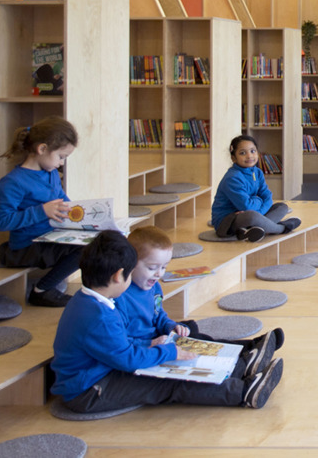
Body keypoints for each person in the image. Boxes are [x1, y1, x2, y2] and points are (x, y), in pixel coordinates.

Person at [50, 231, 283, 414]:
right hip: (89, 391)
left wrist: (161, 347)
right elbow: (128, 359)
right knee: (169, 383)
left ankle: (238, 366)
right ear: (117, 276)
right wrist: (167, 351)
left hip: (102, 372)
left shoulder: (90, 302)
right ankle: (243, 392)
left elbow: (123, 350)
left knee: (183, 345)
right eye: (130, 274)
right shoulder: (99, 315)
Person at [120, 226, 284, 356]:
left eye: (163, 267)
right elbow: (119, 342)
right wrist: (150, 344)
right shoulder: (120, 296)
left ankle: (251, 346)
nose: (159, 274)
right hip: (146, 349)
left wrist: (171, 326)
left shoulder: (153, 285)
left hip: (162, 339)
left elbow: (159, 316)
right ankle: (249, 352)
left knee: (195, 337)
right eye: (152, 268)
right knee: (197, 343)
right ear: (131, 262)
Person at [0, 116, 82, 307]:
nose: (61, 163)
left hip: (50, 237)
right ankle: (42, 290)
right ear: (42, 149)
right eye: (61, 157)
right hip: (25, 247)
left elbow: (62, 201)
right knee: (85, 250)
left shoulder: (50, 174)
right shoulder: (13, 182)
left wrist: (82, 216)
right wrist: (42, 211)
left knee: (102, 240)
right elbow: (2, 221)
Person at [211, 135, 302, 241]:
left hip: (250, 214)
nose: (249, 156)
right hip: (227, 221)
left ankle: (253, 230)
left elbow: (267, 196)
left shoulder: (257, 172)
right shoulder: (233, 178)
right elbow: (247, 206)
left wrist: (258, 210)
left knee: (282, 207)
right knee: (252, 216)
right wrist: (259, 201)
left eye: (253, 151)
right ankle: (281, 228)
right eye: (242, 153)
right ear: (233, 158)